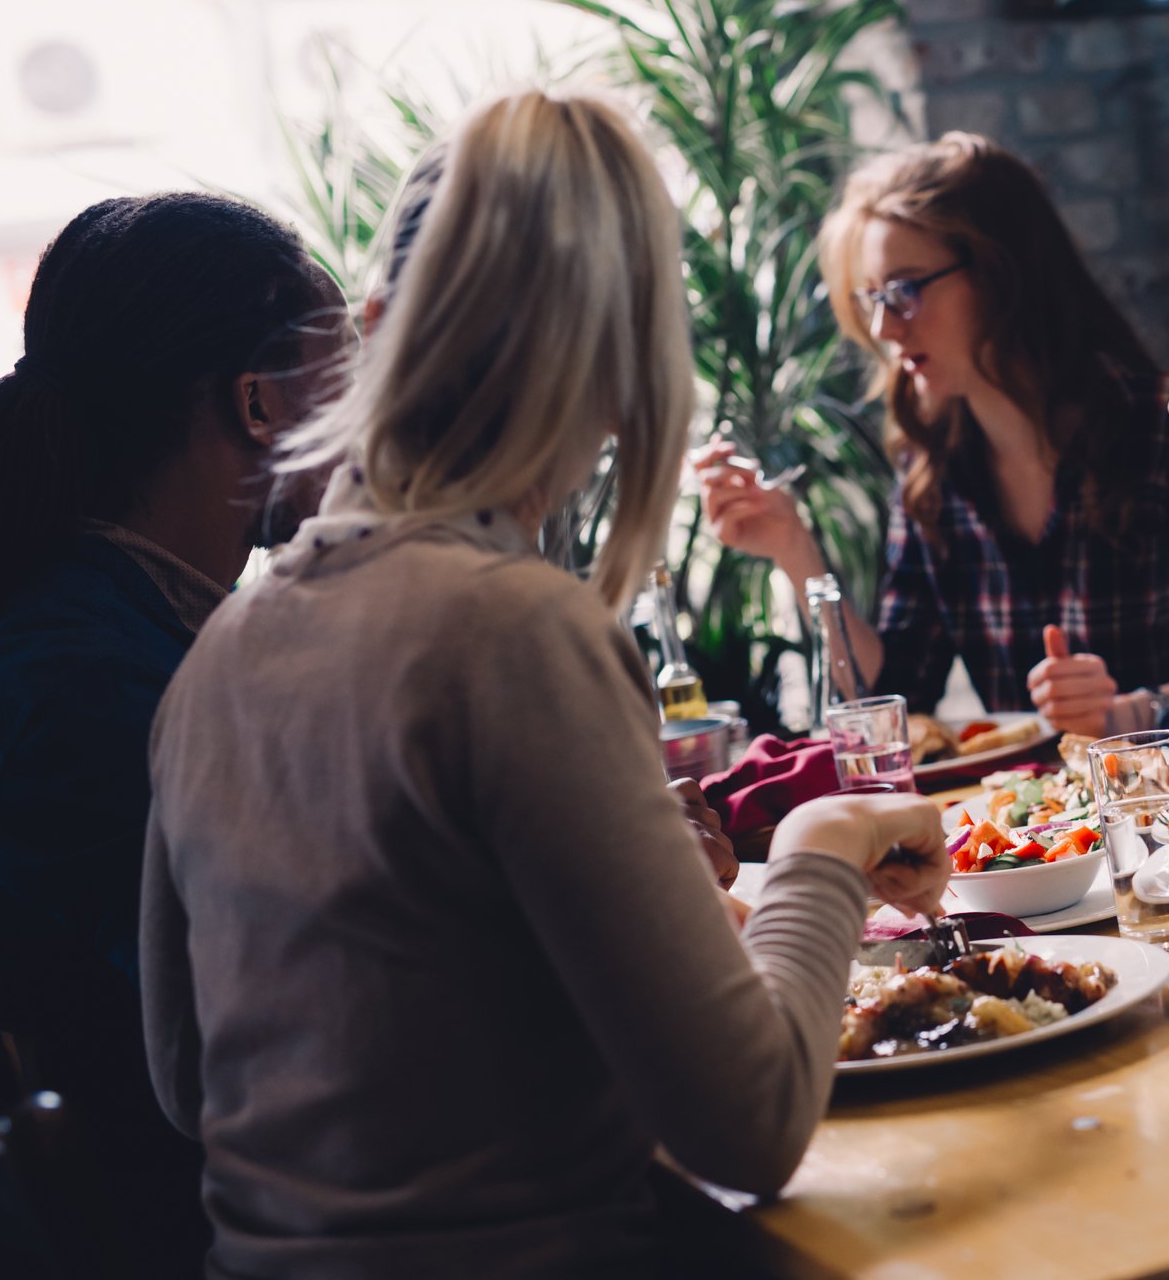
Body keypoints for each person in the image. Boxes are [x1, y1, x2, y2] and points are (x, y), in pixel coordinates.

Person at [140, 91, 949, 1277]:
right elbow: (753, 1125)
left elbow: (183, 1078)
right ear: (625, 371)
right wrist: (829, 838)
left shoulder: (218, 649)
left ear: (374, 331)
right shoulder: (516, 629)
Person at [0, 193, 350, 1273]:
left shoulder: (120, 627)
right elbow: (266, 1012)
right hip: (216, 1227)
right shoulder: (69, 680)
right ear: (260, 403)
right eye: (350, 372)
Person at [693, 132, 1169, 737]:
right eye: (873, 299)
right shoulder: (934, 470)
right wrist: (794, 551)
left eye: (906, 290)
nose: (885, 327)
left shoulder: (1164, 428)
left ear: (1002, 273)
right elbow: (895, 700)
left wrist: (1133, 710)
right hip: (1034, 818)